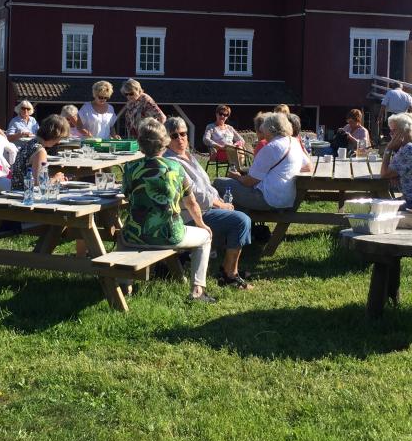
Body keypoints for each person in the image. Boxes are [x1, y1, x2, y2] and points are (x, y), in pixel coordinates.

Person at [121, 118, 214, 303]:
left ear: (140, 144)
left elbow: (126, 194)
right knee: (205, 238)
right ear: (164, 142)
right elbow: (191, 203)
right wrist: (202, 224)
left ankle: (124, 286)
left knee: (121, 236)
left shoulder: (130, 168)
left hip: (136, 235)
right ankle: (197, 290)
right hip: (170, 235)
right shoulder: (175, 167)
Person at [164, 117, 253, 289]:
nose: (180, 138)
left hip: (203, 209)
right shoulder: (172, 162)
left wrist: (220, 200)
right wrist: (220, 205)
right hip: (190, 215)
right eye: (174, 136)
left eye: (183, 134)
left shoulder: (187, 156)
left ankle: (227, 267)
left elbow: (206, 185)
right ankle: (229, 275)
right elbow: (194, 194)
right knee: (241, 220)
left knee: (240, 213)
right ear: (166, 139)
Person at [214, 112, 310, 212]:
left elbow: (249, 181)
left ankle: (237, 216)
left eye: (264, 130)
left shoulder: (271, 147)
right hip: (287, 199)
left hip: (267, 199)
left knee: (219, 182)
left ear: (271, 130)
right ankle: (244, 215)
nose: (263, 134)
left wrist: (237, 176)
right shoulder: (294, 142)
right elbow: (308, 167)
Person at [10, 114, 69, 192]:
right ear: (54, 135)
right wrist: (56, 179)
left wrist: (52, 179)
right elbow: (38, 184)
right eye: (59, 138)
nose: (58, 142)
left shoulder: (30, 144)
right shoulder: (40, 151)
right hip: (26, 195)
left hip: (16, 191)